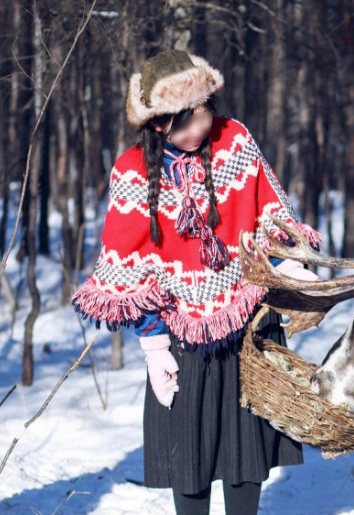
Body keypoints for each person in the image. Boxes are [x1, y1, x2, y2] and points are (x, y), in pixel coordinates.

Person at [72, 49, 321, 515]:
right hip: (179, 340)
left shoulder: (235, 140)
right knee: (188, 460)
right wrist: (153, 347)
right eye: (180, 123)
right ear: (156, 124)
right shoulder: (132, 172)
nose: (195, 131)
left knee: (246, 457)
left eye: (201, 116)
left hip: (249, 326)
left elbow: (268, 208)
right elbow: (130, 268)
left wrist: (285, 264)